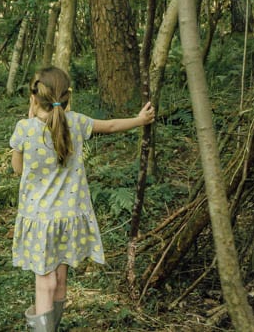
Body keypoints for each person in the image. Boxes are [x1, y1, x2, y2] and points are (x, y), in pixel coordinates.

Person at [9, 66, 155, 331]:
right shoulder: (75, 122)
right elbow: (110, 126)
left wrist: (30, 119)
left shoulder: (24, 129)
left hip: (39, 221)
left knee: (45, 283)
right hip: (69, 217)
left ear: (33, 97)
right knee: (60, 281)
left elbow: (17, 170)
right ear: (68, 97)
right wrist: (139, 120)